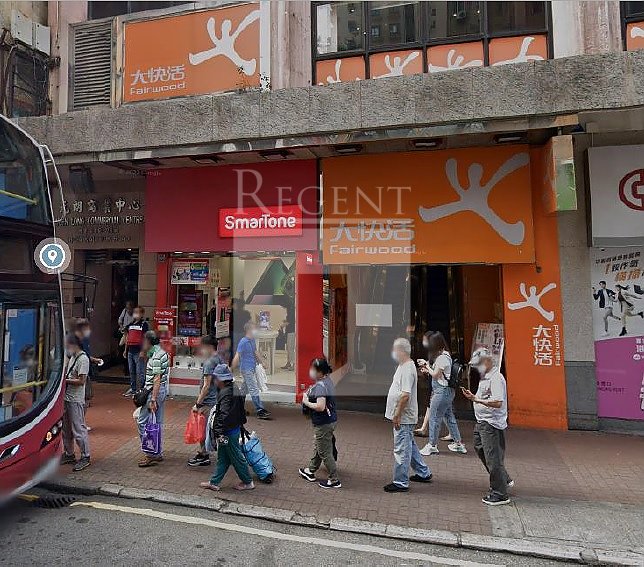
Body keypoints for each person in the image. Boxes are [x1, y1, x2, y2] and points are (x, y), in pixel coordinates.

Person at [462, 348, 513, 506]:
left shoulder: (496, 378)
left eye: (478, 364)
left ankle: (500, 493)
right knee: (480, 448)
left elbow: (498, 402)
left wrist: (477, 400)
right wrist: (474, 398)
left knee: (493, 457)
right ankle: (503, 478)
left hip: (491, 423)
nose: (477, 368)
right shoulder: (487, 376)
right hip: (483, 421)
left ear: (487, 361)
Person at [383, 338, 432, 493]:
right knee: (408, 444)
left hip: (404, 417)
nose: (393, 352)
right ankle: (423, 472)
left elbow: (405, 395)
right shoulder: (404, 365)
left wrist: (397, 414)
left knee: (402, 449)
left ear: (401, 351)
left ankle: (400, 482)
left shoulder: (407, 369)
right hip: (404, 416)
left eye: (395, 350)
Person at [199, 364, 254, 492]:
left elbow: (223, 414)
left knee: (236, 457)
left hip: (227, 432)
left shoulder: (225, 393)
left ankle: (247, 482)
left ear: (220, 379)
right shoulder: (233, 388)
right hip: (231, 429)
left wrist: (218, 432)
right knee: (223, 457)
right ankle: (214, 482)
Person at [418, 331, 466, 456]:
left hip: (441, 392)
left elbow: (435, 375)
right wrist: (428, 367)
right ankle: (458, 444)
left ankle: (432, 446)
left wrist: (426, 366)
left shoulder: (442, 358)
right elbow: (440, 374)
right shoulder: (445, 355)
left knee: (434, 418)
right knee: (449, 417)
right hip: (447, 392)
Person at [299, 357, 341, 489]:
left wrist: (306, 402)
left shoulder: (320, 386)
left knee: (325, 452)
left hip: (323, 423)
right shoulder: (327, 381)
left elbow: (320, 406)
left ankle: (334, 480)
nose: (311, 371)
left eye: (314, 369)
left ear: (320, 372)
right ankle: (310, 471)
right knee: (319, 446)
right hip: (330, 420)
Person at [188, 335, 223, 467]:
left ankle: (203, 455)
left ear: (209, 347)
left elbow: (206, 386)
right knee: (212, 428)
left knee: (202, 429)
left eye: (202, 347)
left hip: (207, 402)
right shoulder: (219, 359)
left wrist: (198, 403)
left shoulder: (209, 363)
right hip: (217, 399)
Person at [137, 331, 170, 468]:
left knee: (143, 422)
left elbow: (157, 378)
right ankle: (157, 452)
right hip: (161, 391)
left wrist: (153, 399)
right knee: (157, 423)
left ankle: (150, 453)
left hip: (153, 392)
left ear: (148, 342)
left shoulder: (156, 356)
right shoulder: (162, 353)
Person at [60, 333, 91, 472]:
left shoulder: (83, 359)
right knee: (66, 428)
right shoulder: (72, 357)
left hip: (76, 399)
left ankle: (85, 456)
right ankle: (69, 453)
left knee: (78, 428)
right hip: (67, 398)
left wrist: (64, 381)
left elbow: (81, 380)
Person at [231, 321, 270, 419]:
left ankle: (238, 408)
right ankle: (260, 410)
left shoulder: (252, 340)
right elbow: (237, 356)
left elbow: (256, 352)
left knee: (244, 390)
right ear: (249, 330)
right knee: (254, 389)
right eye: (254, 328)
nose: (256, 330)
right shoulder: (243, 342)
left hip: (251, 368)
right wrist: (231, 368)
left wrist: (263, 362)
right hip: (246, 369)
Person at [123, 306, 149, 396]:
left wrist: (143, 350)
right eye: (135, 312)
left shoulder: (144, 324)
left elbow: (146, 339)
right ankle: (133, 388)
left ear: (142, 314)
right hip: (130, 351)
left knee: (140, 371)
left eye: (137, 312)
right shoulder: (130, 325)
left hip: (138, 351)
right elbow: (127, 337)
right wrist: (125, 350)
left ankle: (141, 389)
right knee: (132, 371)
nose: (135, 314)